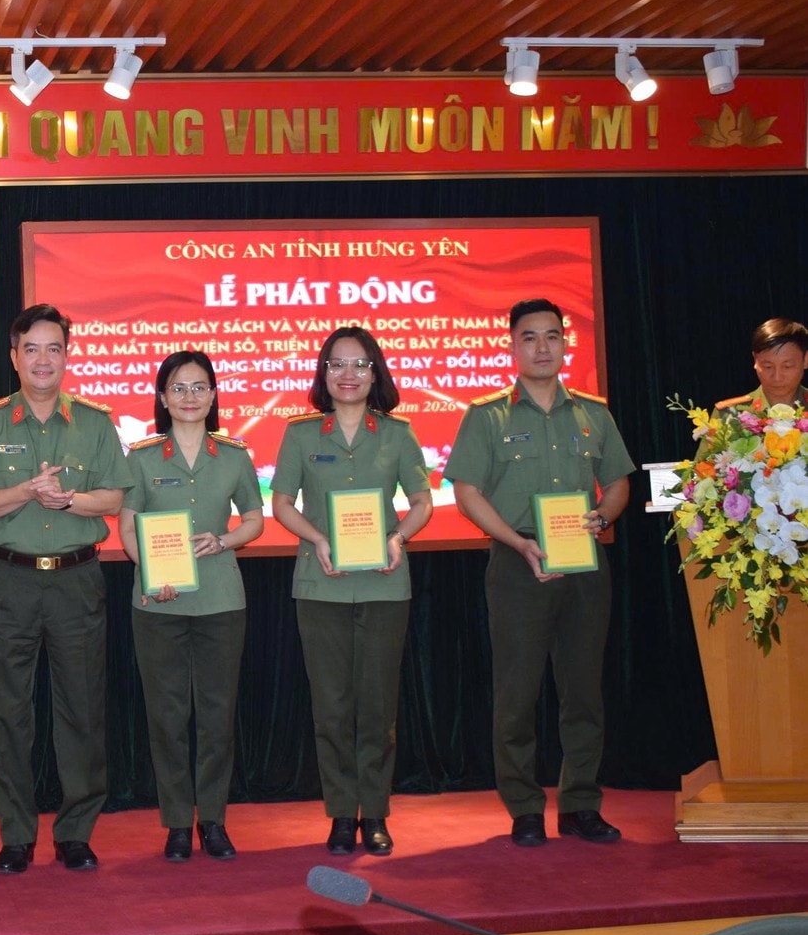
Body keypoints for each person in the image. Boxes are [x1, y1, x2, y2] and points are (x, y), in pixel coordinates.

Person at [443, 298, 634, 848]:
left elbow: (617, 482)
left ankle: (580, 804)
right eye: (530, 337)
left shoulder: (593, 413)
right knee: (517, 693)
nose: (542, 347)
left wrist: (604, 515)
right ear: (512, 345)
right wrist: (518, 543)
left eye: (552, 336)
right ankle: (525, 808)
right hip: (517, 560)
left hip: (583, 562)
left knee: (584, 692)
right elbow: (467, 492)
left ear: (565, 344)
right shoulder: (488, 416)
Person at [0, 303, 134, 874]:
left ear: (67, 355)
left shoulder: (94, 423)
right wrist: (27, 492)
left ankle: (76, 832)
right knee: (9, 711)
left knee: (81, 708)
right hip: (9, 579)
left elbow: (115, 497)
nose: (42, 360)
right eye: (30, 349)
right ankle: (15, 834)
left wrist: (69, 500)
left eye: (53, 349)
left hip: (76, 580)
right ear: (14, 357)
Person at [269, 328, 433, 857]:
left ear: (374, 372)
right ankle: (342, 813)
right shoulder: (300, 435)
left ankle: (376, 813)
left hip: (384, 583)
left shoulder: (397, 434)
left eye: (359, 365)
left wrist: (397, 537)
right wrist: (317, 539)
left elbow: (422, 502)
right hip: (321, 585)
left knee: (378, 707)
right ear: (323, 373)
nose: (348, 374)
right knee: (332, 708)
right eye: (336, 364)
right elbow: (281, 504)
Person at [118, 351, 263, 862]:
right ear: (162, 397)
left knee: (217, 716)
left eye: (199, 387)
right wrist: (149, 572)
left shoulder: (234, 456)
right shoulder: (141, 457)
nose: (189, 397)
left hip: (221, 600)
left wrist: (224, 541)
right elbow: (128, 525)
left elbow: (254, 519)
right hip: (158, 604)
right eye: (178, 388)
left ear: (214, 395)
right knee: (168, 716)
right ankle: (178, 823)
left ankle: (214, 821)